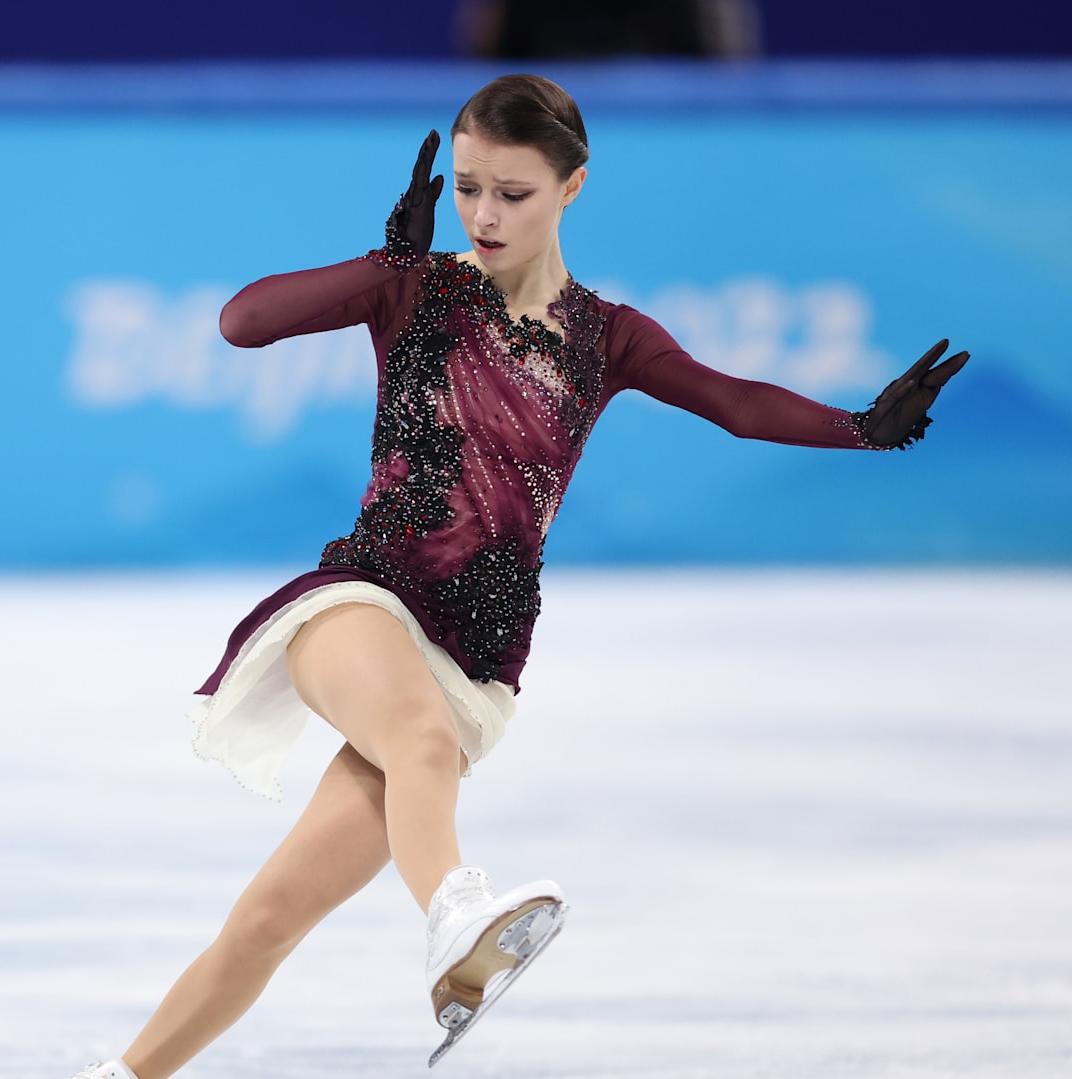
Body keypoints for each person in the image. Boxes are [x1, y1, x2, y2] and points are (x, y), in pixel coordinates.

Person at [70, 73, 966, 1079]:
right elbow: (243, 321)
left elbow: (735, 403)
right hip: (361, 601)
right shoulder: (416, 286)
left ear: (572, 186)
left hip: (474, 658)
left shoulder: (609, 337)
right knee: (415, 737)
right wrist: (383, 262)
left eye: (513, 193)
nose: (484, 216)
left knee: (271, 916)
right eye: (468, 189)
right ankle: (456, 912)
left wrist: (860, 428)